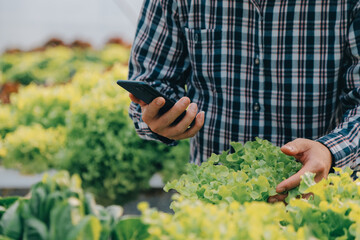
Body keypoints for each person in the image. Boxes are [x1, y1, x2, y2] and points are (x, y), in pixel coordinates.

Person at [127, 0, 360, 198]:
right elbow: (151, 80)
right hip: (215, 202)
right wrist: (161, 118)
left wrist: (330, 150)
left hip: (313, 198)